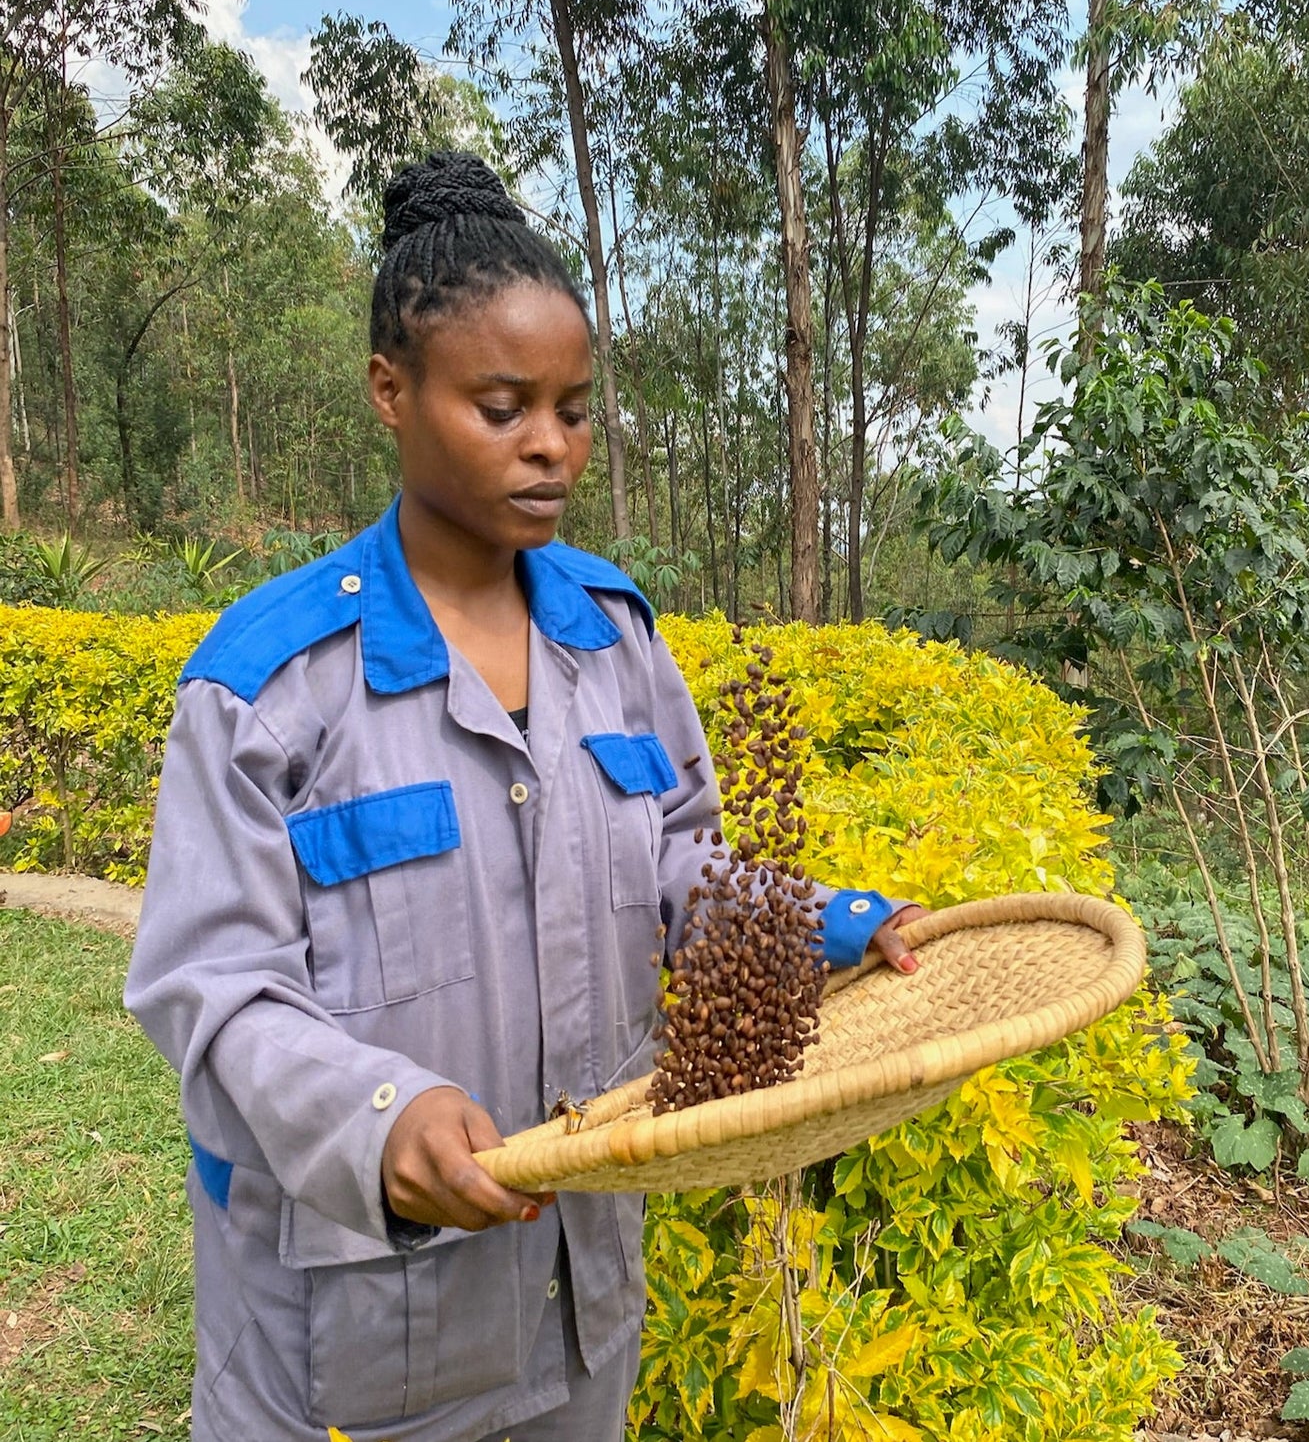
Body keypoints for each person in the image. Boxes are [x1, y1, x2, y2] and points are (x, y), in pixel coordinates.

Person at [125, 150, 923, 1442]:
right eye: (502, 406)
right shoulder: (270, 688)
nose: (551, 443)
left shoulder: (615, 644)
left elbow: (680, 870)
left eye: (573, 406)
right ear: (392, 389)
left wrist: (823, 922)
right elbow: (210, 991)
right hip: (352, 1345)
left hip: (574, 1304)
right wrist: (382, 1120)